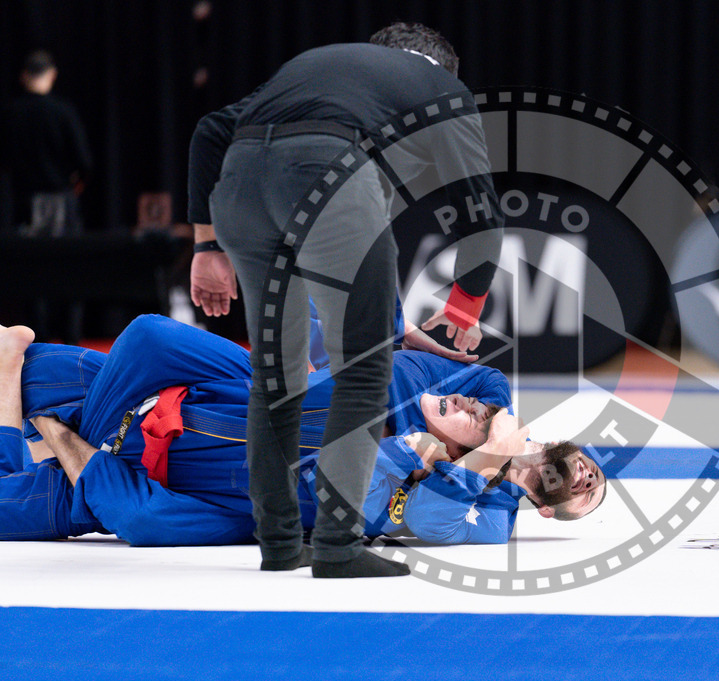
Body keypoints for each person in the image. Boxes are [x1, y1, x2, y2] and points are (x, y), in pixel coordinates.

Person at [187, 23, 504, 577]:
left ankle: (281, 544)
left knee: (274, 378)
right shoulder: (441, 88)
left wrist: (206, 246)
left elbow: (212, 129)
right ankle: (337, 545)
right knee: (363, 370)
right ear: (442, 67)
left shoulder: (323, 62)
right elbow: (479, 212)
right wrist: (465, 307)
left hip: (240, 189)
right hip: (325, 178)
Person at [0, 316, 605, 548]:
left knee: (141, 516)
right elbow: (493, 386)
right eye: (592, 472)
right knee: (142, 346)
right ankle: (42, 423)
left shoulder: (475, 504)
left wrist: (497, 463)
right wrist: (503, 439)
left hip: (227, 467)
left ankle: (41, 427)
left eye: (587, 493)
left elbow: (440, 516)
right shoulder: (474, 395)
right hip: (208, 396)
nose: (586, 477)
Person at [0, 50, 91, 235]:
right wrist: (77, 182)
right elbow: (84, 161)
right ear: (52, 74)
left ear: (24, 76)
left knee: (28, 260)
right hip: (62, 203)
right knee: (65, 259)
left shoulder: (10, 114)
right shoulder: (64, 112)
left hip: (24, 202)